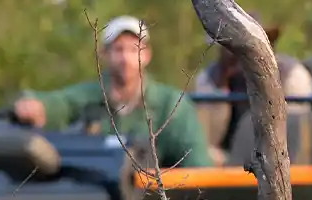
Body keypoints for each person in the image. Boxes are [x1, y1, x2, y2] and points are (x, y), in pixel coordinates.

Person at [12, 15, 214, 169]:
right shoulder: (90, 94)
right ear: (104, 55)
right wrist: (32, 107)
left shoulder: (172, 104)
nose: (125, 58)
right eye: (118, 50)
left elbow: (198, 167)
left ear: (146, 55)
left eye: (133, 49)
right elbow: (56, 104)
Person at [193, 19, 312, 163]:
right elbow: (207, 139)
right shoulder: (211, 78)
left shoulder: (292, 75)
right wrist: (222, 87)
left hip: (282, 157)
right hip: (229, 158)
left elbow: (297, 131)